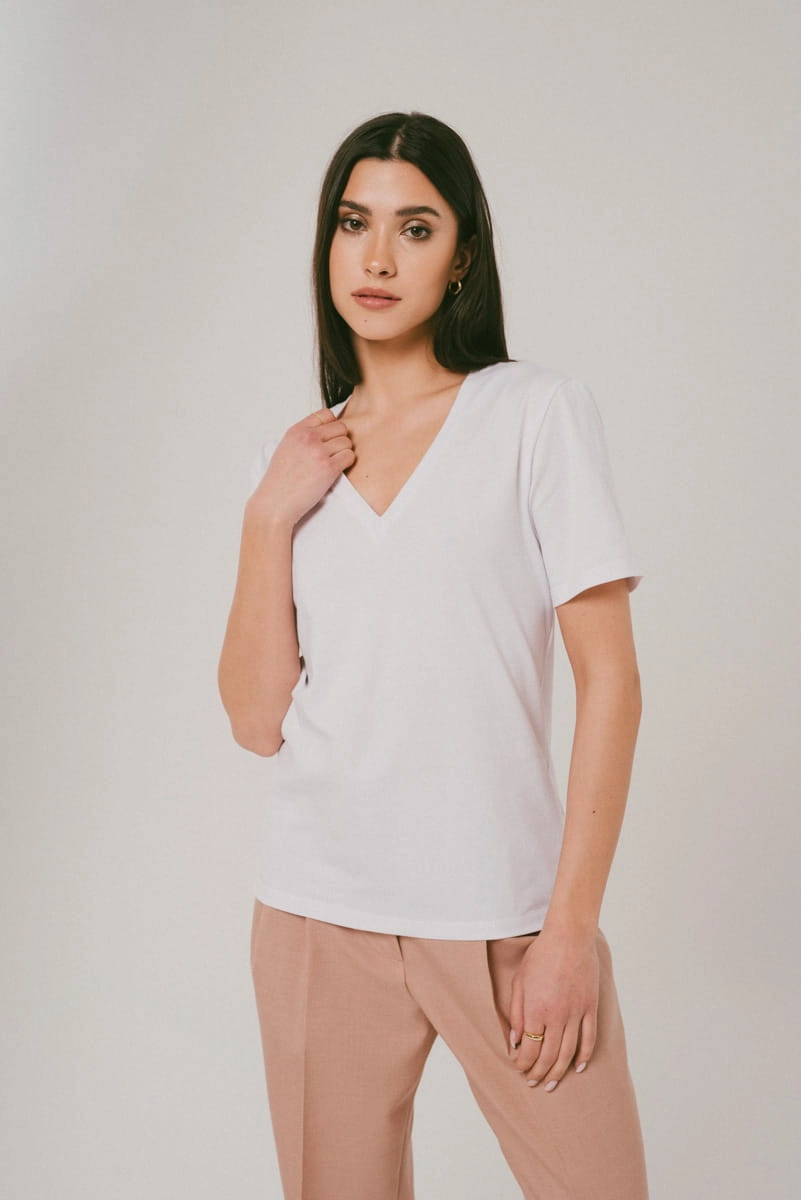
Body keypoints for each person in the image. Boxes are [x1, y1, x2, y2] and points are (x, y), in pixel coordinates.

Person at [218, 111, 649, 1200]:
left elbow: (610, 681)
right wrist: (268, 517)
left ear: (461, 258)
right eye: (353, 223)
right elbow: (256, 722)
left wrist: (569, 930)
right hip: (317, 913)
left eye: (415, 228)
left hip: (504, 919)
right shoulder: (296, 457)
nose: (376, 256)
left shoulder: (534, 415)